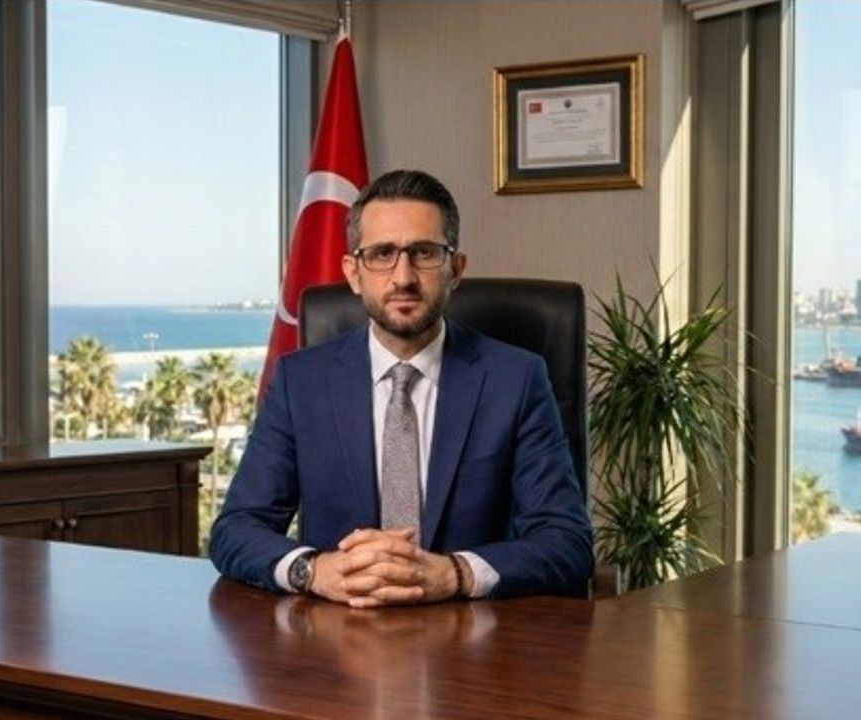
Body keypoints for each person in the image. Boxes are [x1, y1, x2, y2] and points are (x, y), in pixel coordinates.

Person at [209, 169, 591, 606]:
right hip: (336, 633)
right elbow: (235, 530)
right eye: (382, 254)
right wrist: (314, 571)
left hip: (471, 633)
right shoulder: (301, 382)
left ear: (455, 270)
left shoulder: (516, 380)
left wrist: (454, 573)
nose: (403, 276)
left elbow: (567, 542)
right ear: (353, 273)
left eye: (424, 253)